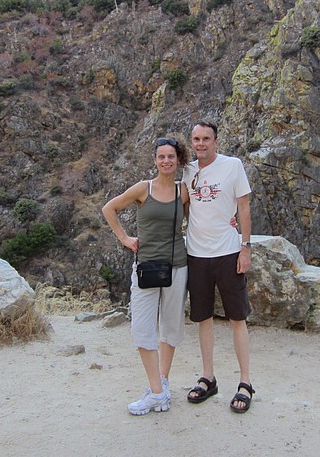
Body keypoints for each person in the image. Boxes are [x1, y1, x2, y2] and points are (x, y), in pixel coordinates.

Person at [101, 137, 190, 416]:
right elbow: (109, 208)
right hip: (147, 267)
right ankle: (156, 391)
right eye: (161, 156)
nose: (166, 161)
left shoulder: (183, 191)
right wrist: (125, 238)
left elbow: (199, 217)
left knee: (171, 328)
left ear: (178, 160)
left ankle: (161, 385)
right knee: (142, 330)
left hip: (177, 266)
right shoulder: (143, 189)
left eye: (171, 157)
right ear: (155, 160)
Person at [182, 121, 255, 413]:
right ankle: (208, 377)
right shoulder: (187, 171)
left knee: (237, 317)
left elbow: (244, 206)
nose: (201, 144)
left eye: (206, 139)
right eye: (196, 139)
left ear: (215, 141)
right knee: (203, 318)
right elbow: (184, 205)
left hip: (227, 252)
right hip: (196, 254)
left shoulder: (232, 166)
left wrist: (245, 247)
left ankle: (245, 382)